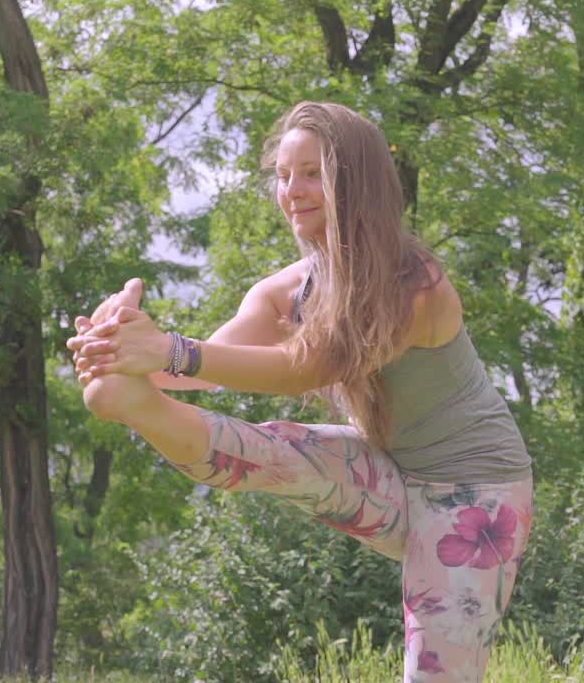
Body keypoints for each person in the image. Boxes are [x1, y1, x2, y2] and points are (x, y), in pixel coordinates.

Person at [67, 101, 533, 683]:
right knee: (279, 449)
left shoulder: (415, 284)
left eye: (313, 174)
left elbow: (304, 367)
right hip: (390, 471)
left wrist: (167, 350)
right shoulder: (289, 291)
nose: (292, 191)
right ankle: (140, 409)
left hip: (476, 496)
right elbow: (204, 366)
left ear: (357, 182)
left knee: (437, 675)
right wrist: (118, 351)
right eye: (284, 175)